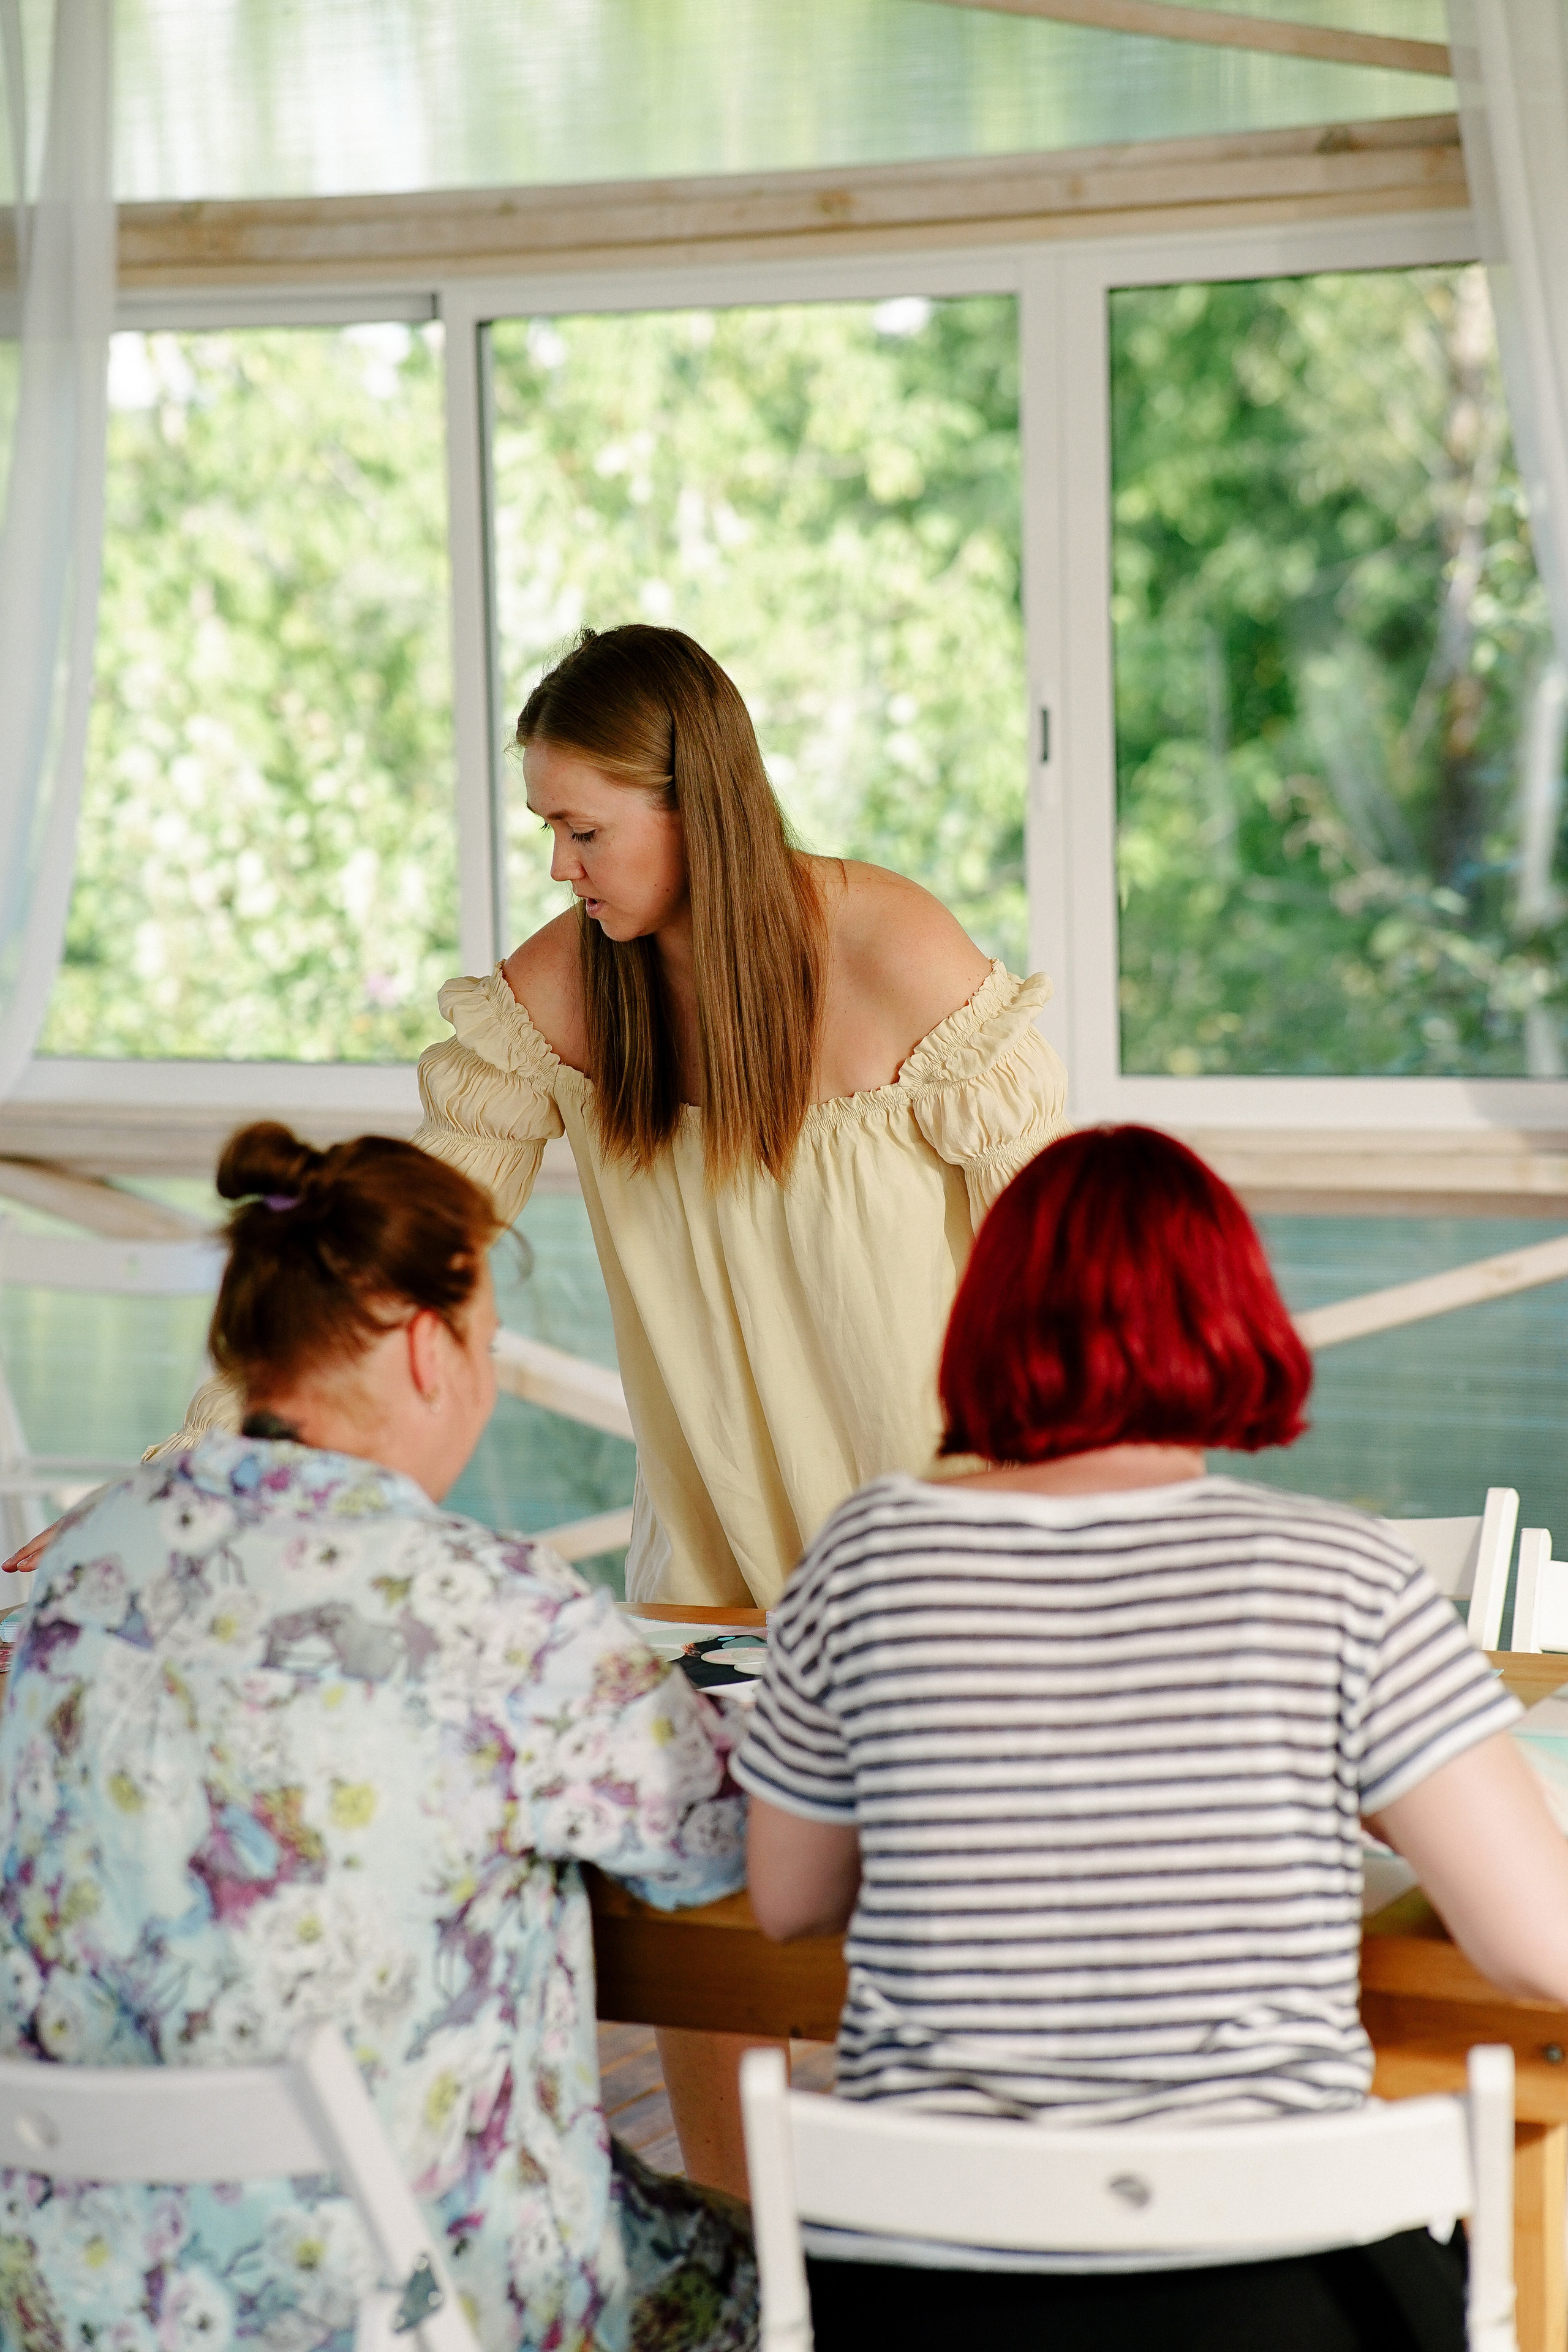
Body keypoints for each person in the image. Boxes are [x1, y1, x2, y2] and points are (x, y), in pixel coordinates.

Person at [53, 620, 1068, 2195]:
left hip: (952, 1538)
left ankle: (999, 2237)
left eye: (583, 830)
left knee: (981, 1953)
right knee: (704, 1946)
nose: (558, 867)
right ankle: (744, 2243)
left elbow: (1069, 1265)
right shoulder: (557, 999)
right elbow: (375, 1256)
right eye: (546, 829)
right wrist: (183, 1473)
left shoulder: (899, 956)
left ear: (692, 804)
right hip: (710, 1550)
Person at [737, 1124, 1568, 2352]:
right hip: (1285, 2287)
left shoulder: (865, 1555)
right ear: (1233, 1315)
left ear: (986, 1320)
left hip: (923, 2292)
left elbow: (789, 1900)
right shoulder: (1339, 1577)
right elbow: (1542, 1950)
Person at [0, 1122, 757, 2352]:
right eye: (484, 1345)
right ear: (424, 1348)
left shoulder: (79, 1564)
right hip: (418, 2299)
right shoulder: (494, 1609)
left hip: (90, 2301)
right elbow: (717, 1842)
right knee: (779, 2272)